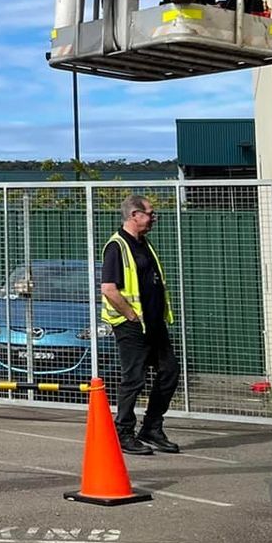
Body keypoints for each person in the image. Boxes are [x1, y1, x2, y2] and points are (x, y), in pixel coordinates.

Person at [99, 194, 180, 454]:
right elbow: (109, 289)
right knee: (133, 379)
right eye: (150, 213)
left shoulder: (144, 243)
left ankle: (152, 428)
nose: (154, 217)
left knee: (169, 372)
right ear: (135, 215)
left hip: (155, 324)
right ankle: (123, 432)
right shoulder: (117, 246)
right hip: (131, 325)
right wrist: (132, 315)